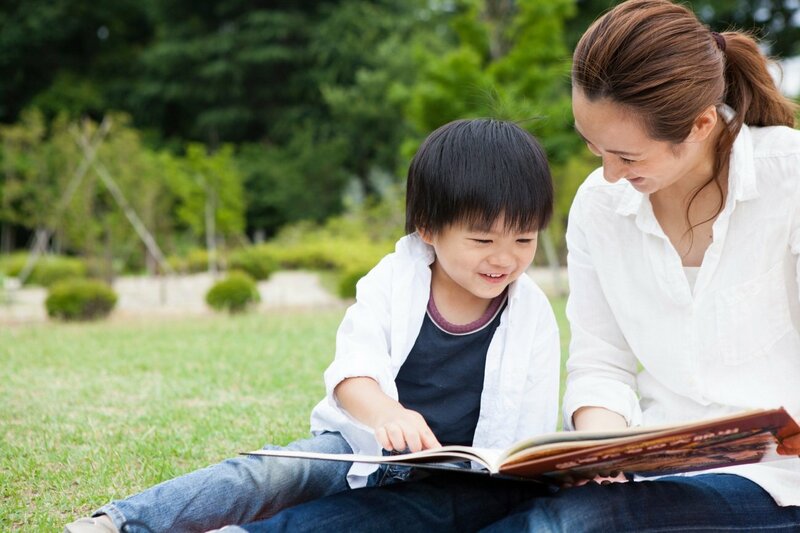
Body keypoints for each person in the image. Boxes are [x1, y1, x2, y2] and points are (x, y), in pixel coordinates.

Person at [240, 0, 800, 531]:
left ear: (700, 126)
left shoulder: (789, 181)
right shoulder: (600, 207)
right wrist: (596, 451)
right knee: (453, 506)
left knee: (566, 524)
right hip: (649, 468)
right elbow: (601, 361)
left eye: (627, 156)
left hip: (778, 480)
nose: (606, 174)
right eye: (593, 147)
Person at [63, 118, 561, 533]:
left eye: (523, 239)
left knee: (367, 519)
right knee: (273, 473)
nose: (504, 259)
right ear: (427, 228)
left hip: (458, 479)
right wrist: (388, 414)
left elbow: (532, 429)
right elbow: (353, 371)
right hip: (361, 447)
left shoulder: (531, 312)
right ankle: (121, 523)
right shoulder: (393, 281)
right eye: (481, 240)